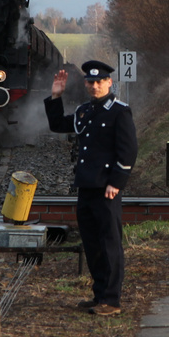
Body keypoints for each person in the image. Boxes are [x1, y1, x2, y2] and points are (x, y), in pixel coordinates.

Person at [45, 59, 137, 316]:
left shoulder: (120, 111)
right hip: (86, 186)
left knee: (109, 243)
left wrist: (116, 183)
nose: (94, 86)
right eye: (90, 82)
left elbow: (128, 151)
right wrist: (55, 96)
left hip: (106, 188)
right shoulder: (85, 111)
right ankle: (99, 296)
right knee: (92, 244)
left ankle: (112, 300)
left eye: (99, 82)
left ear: (109, 82)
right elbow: (58, 125)